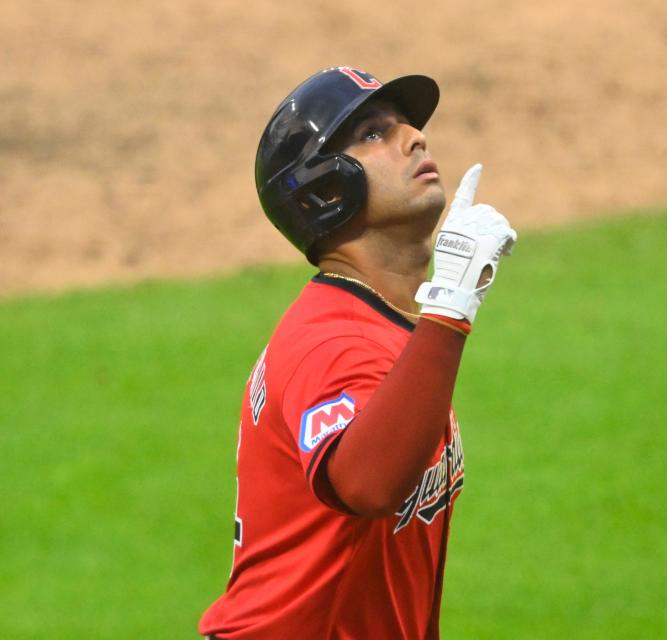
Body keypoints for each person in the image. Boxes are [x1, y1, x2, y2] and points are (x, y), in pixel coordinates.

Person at [198, 66, 516, 639]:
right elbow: (367, 485)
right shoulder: (333, 341)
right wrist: (452, 304)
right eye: (373, 134)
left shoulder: (385, 327)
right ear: (325, 191)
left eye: (404, 125)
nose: (414, 137)